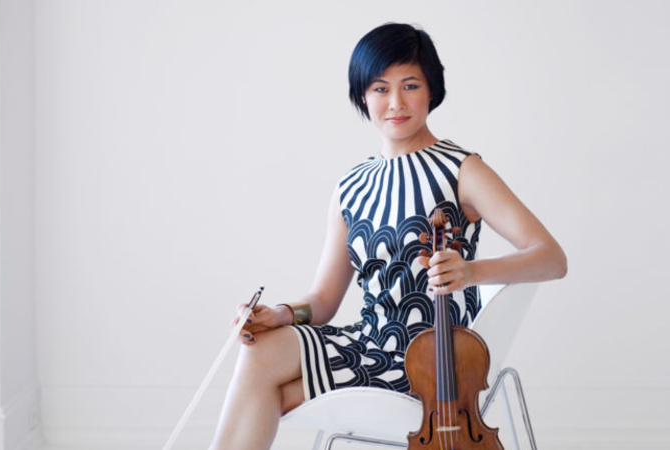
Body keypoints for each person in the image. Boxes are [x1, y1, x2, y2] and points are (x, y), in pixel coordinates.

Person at [208, 22, 567, 449]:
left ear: (431, 90)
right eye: (380, 88)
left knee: (268, 391)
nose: (395, 103)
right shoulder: (351, 187)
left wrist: (470, 272)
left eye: (410, 85)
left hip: (432, 362)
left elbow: (552, 258)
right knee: (258, 348)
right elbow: (323, 302)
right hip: (366, 344)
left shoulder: (462, 169)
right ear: (363, 96)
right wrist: (281, 313)